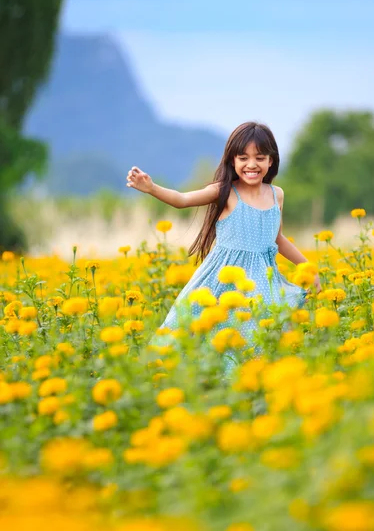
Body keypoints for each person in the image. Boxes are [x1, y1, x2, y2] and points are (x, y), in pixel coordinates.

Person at [126, 121, 321, 370]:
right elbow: (182, 200)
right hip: (222, 280)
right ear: (232, 161)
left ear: (271, 161)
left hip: (262, 280)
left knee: (261, 334)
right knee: (199, 330)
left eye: (260, 158)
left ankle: (252, 383)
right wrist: (151, 188)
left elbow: (278, 239)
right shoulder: (225, 191)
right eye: (243, 158)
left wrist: (308, 268)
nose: (252, 165)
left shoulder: (276, 195)